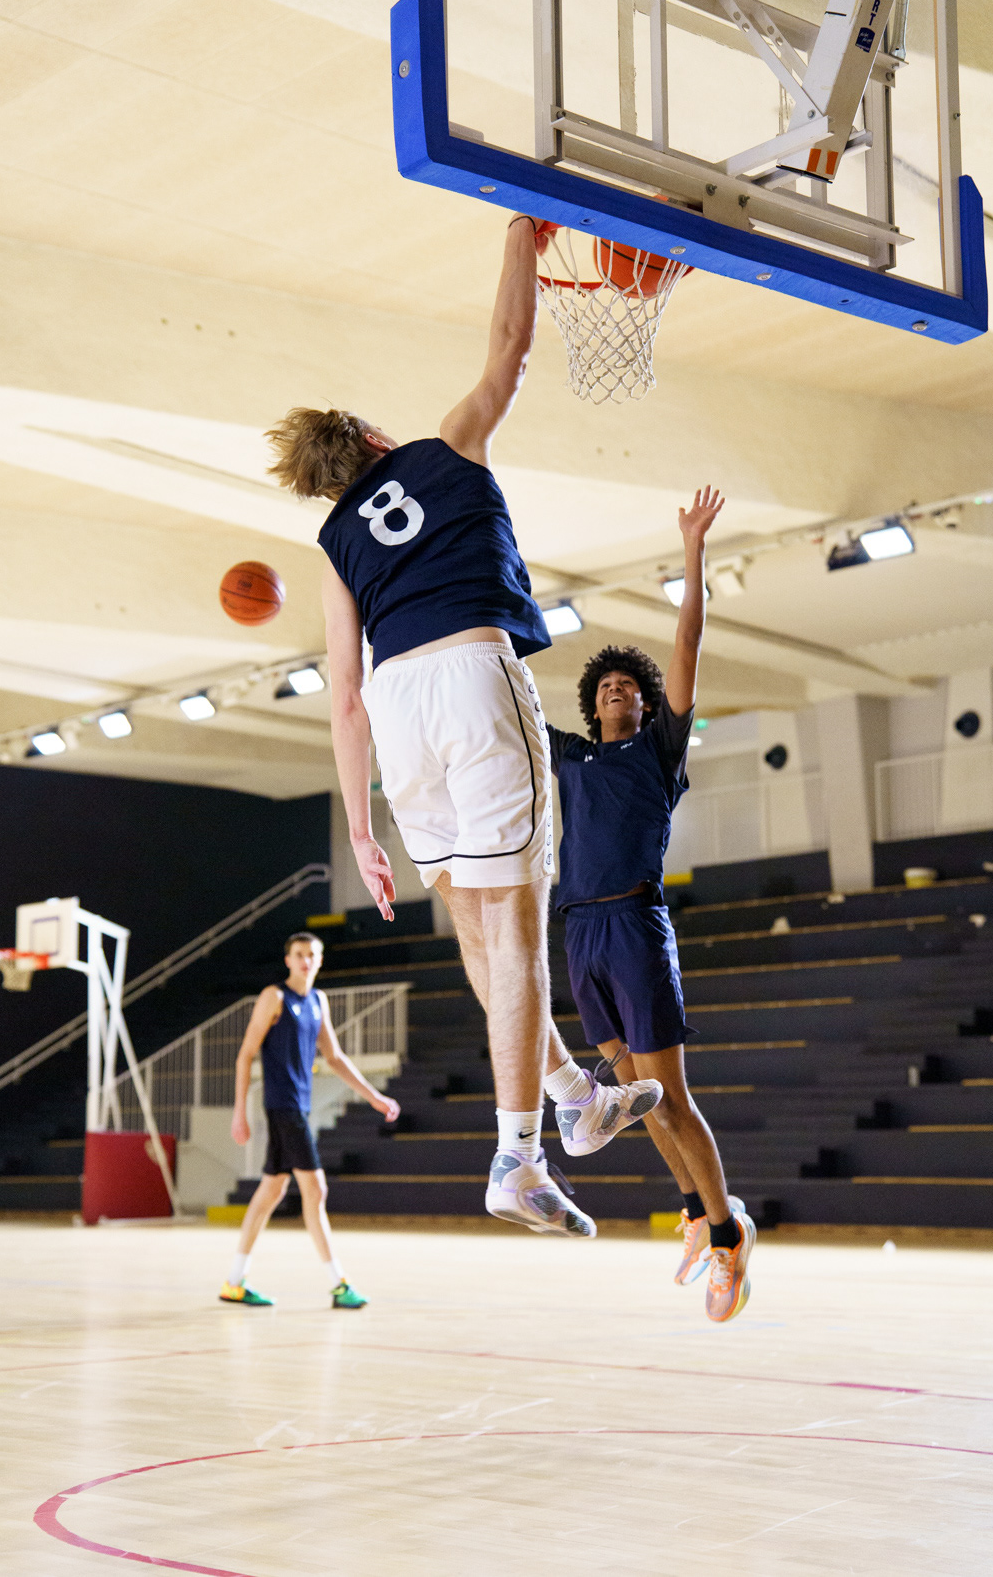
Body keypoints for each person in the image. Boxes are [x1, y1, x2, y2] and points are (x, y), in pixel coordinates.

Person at [266, 215, 660, 1239]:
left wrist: (361, 831)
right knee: (519, 928)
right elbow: (511, 351)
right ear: (373, 438)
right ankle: (518, 1159)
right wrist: (521, 240)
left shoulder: (334, 547)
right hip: (472, 677)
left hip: (398, 713)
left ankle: (572, 1097)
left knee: (479, 928)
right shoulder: (444, 448)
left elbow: (342, 695)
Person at [546, 486, 755, 1324]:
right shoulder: (571, 758)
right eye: (607, 685)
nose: (617, 691)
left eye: (630, 685)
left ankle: (730, 1234)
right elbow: (504, 704)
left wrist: (693, 551)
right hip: (580, 932)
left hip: (634, 924)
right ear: (592, 702)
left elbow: (688, 640)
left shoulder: (659, 751)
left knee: (670, 1094)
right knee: (633, 1100)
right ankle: (695, 1212)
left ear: (645, 701)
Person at [219, 931, 399, 1310]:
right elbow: (245, 1055)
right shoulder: (274, 997)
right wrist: (239, 1112)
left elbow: (334, 1057)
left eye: (312, 954)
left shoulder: (318, 1000)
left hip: (298, 1107)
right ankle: (339, 1284)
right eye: (299, 954)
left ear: (320, 960)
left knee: (271, 1191)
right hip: (282, 1105)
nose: (306, 960)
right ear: (288, 960)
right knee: (315, 1190)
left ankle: (234, 1282)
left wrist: (375, 1097)